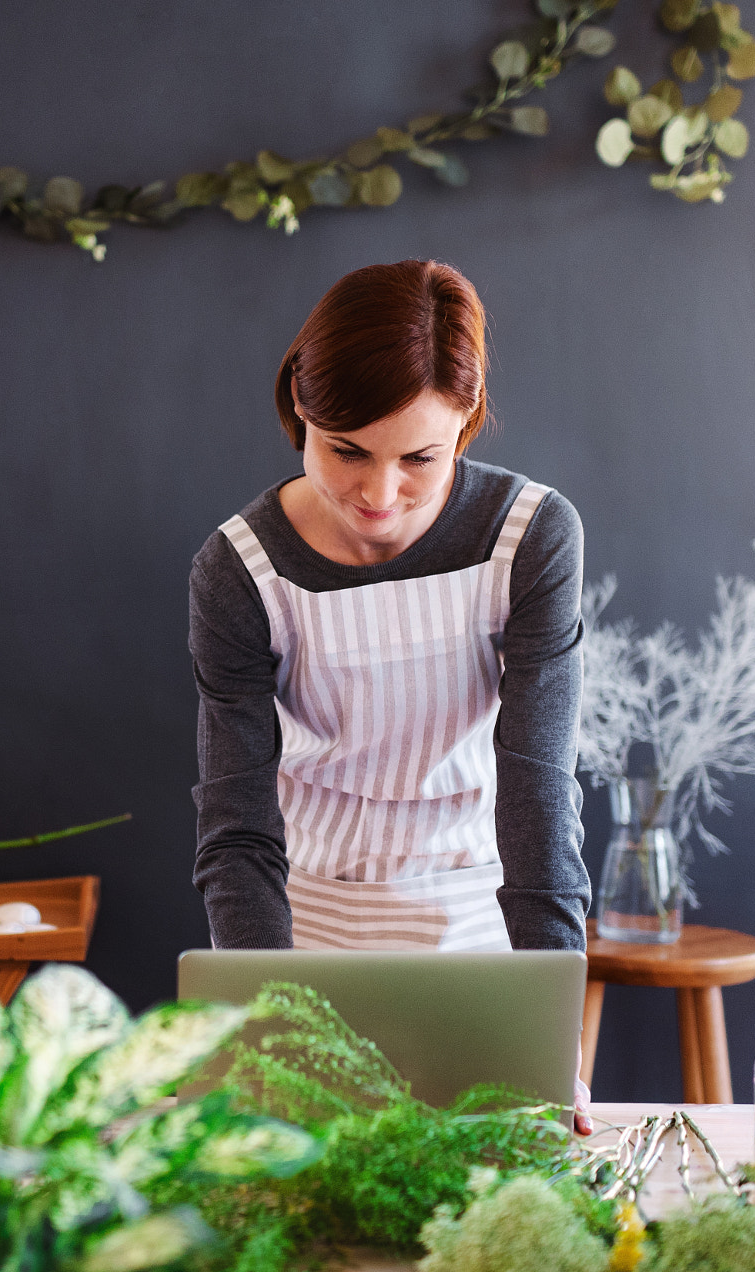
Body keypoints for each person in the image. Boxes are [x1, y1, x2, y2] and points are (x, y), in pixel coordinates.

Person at [187, 259, 594, 1128]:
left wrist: (551, 1039)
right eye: (347, 451)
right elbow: (238, 830)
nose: (380, 494)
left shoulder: (531, 538)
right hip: (306, 921)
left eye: (420, 458)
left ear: (467, 424)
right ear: (301, 402)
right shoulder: (239, 570)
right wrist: (272, 1027)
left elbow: (538, 787)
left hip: (482, 915)